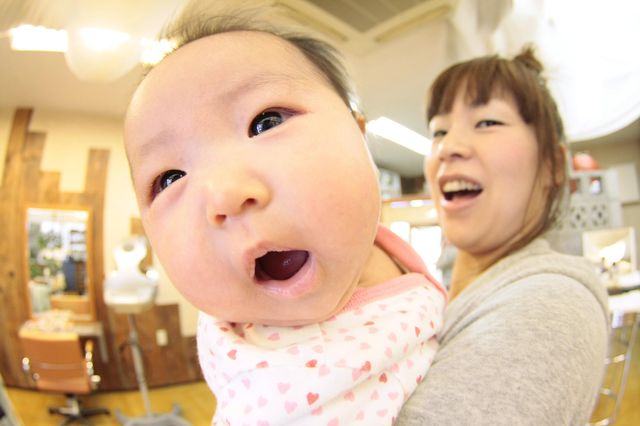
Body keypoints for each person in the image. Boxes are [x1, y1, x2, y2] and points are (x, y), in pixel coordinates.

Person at [123, 14, 446, 425]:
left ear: (358, 134)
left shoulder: (387, 250)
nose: (226, 193)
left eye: (266, 122)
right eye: (170, 178)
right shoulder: (265, 391)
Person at [396, 48, 610, 425]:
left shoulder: (549, 302)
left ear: (552, 165)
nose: (447, 148)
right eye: (439, 131)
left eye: (487, 122)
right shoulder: (430, 294)